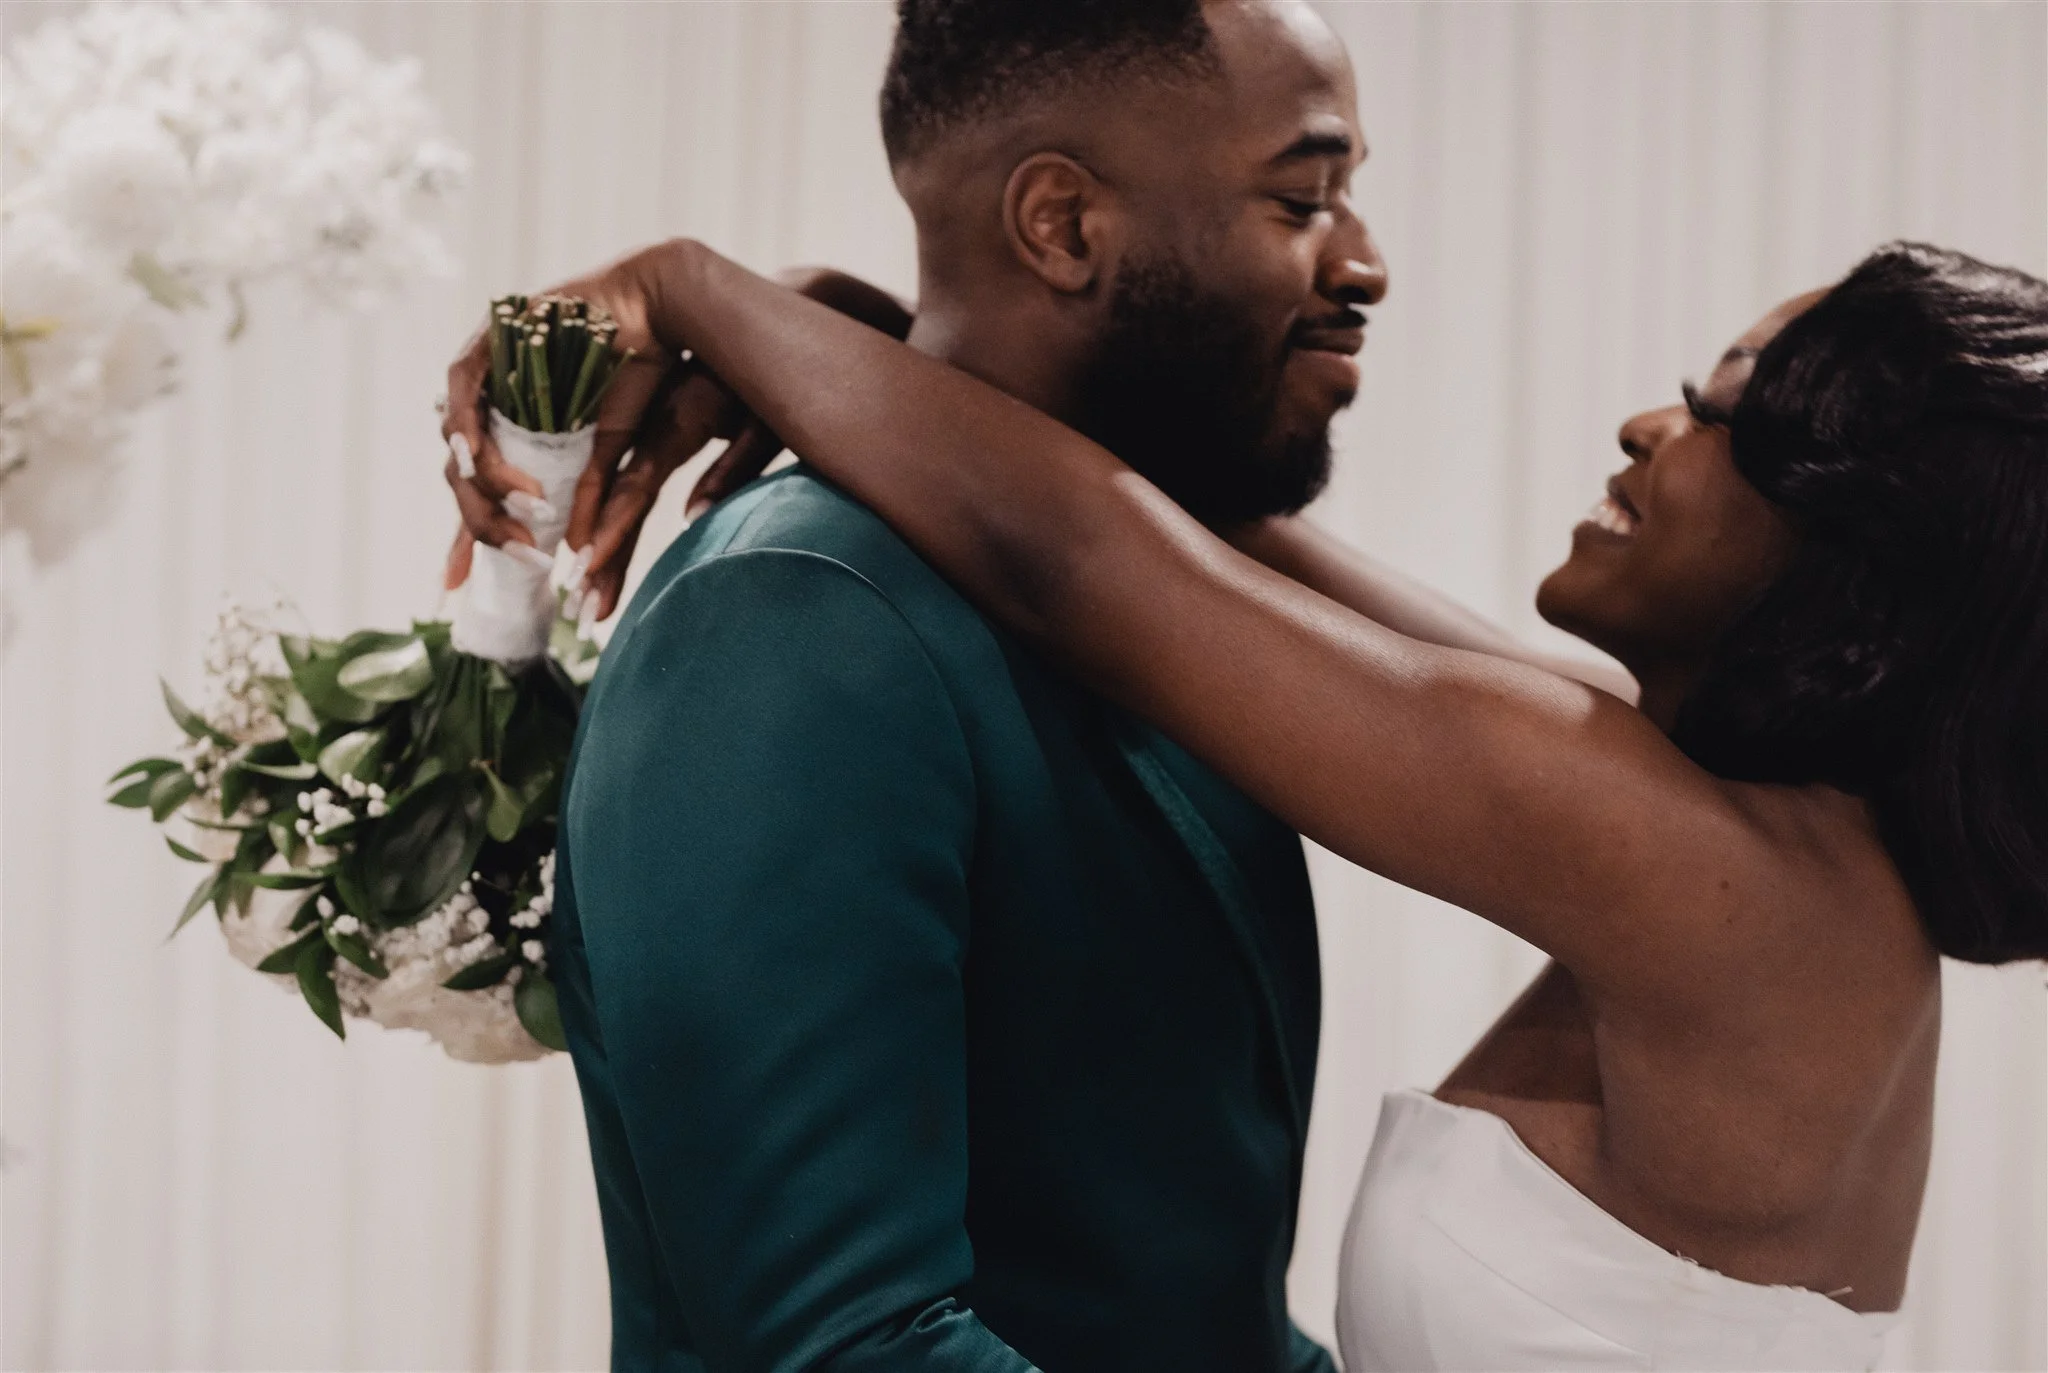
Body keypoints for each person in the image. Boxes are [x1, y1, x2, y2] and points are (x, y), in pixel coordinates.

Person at [453, 231, 2048, 1371]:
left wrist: (691, 288)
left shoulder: (1693, 870)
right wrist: (881, 343)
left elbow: (1091, 564)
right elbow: (1211, 542)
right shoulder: (1771, 849)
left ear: (1855, 548)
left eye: (1720, 412)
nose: (1650, 426)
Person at [439, 2, 1527, 1369]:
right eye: (1304, 197)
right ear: (1065, 225)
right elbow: (849, 1347)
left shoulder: (1166, 603)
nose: (1363, 260)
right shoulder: (792, 619)